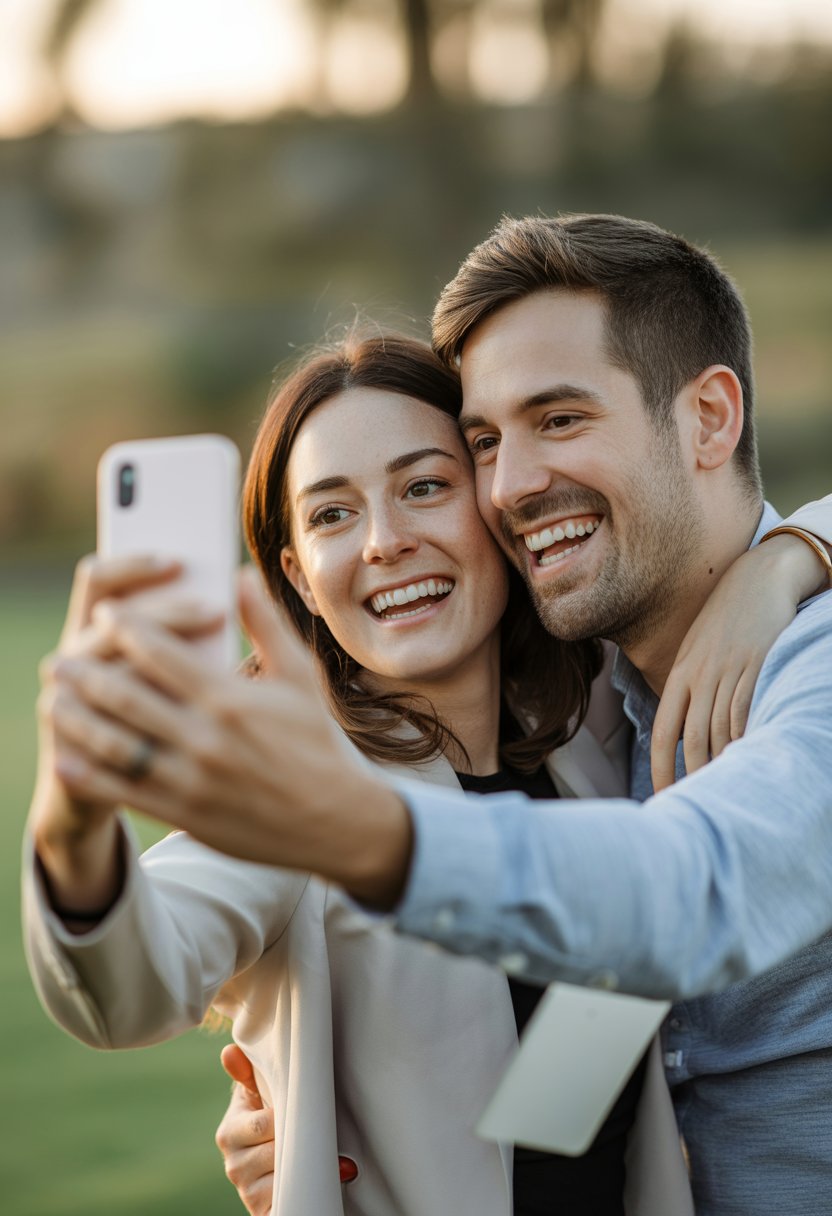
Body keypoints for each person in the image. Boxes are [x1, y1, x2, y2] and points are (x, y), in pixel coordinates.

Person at [27, 215, 832, 1214]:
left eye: (426, 484)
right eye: (489, 442)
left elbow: (675, 909)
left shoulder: (609, 730)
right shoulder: (313, 796)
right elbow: (131, 979)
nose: (386, 542)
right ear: (296, 579)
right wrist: (71, 824)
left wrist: (792, 553)